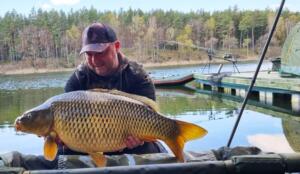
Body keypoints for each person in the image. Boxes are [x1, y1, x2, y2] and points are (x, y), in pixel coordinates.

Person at [63, 22, 167, 156]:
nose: (94, 60)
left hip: (129, 146)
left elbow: (152, 115)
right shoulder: (78, 79)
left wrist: (141, 139)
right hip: (88, 145)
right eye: (89, 54)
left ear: (116, 46)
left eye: (100, 52)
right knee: (62, 154)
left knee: (149, 151)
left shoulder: (137, 76)